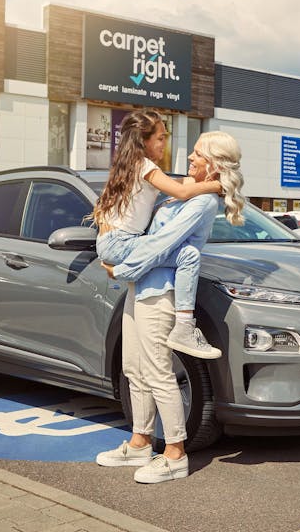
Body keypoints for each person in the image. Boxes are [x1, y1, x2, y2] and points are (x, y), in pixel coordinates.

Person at [97, 131, 245, 483]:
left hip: (161, 291)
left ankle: (175, 453)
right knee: (134, 368)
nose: (189, 158)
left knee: (159, 372)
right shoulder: (186, 193)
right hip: (140, 288)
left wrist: (122, 269)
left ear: (213, 164)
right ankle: (139, 442)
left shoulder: (203, 203)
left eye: (196, 154)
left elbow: (162, 245)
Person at [91, 109, 223, 359]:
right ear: (144, 141)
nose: (165, 143)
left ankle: (184, 328)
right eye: (161, 138)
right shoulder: (144, 165)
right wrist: (216, 185)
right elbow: (182, 192)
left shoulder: (131, 166)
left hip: (113, 242)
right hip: (121, 243)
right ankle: (184, 328)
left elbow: (183, 184)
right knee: (189, 257)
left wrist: (211, 182)